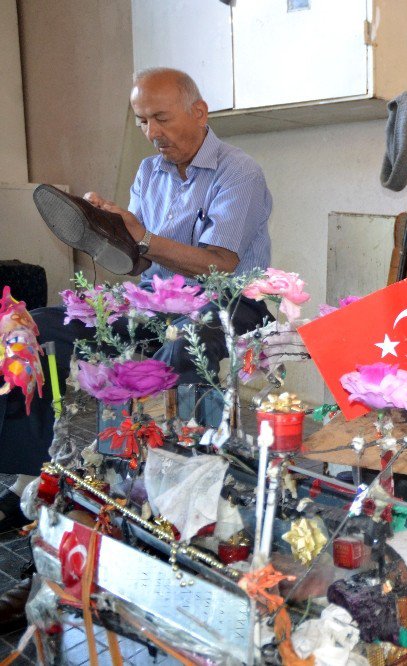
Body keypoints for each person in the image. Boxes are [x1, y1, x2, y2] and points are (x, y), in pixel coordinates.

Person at [0, 67, 273, 625]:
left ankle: (176, 525)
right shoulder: (150, 171)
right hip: (155, 301)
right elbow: (138, 263)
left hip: (226, 305)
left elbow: (220, 261)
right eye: (142, 120)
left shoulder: (238, 172)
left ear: (200, 112)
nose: (151, 132)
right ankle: (43, 494)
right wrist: (110, 229)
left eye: (162, 118)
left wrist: (142, 237)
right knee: (40, 329)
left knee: (177, 358)